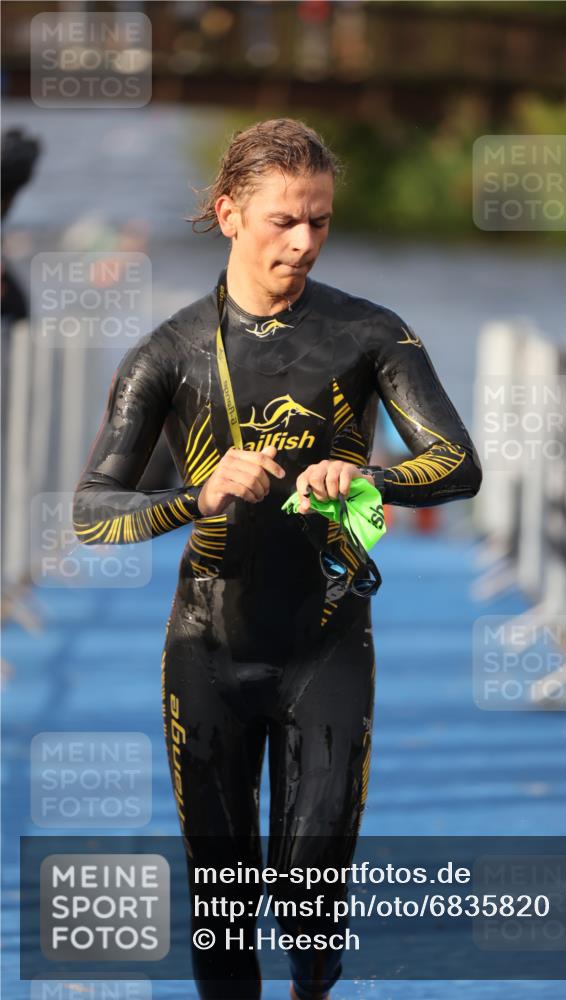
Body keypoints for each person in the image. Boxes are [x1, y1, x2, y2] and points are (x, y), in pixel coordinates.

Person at [73, 118, 483, 1000]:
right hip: (208, 651)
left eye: (320, 222)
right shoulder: (168, 354)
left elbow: (457, 465)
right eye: (282, 221)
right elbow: (91, 513)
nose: (302, 242)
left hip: (326, 644)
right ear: (228, 214)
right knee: (222, 911)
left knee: (308, 900)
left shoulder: (370, 334)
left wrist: (369, 473)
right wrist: (197, 496)